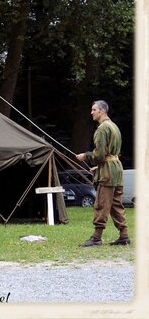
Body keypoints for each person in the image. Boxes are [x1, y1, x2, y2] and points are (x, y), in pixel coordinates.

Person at [76, 100, 130, 247]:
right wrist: (98, 167)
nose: (91, 112)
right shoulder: (114, 126)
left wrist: (85, 156)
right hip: (116, 168)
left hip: (108, 172)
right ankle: (124, 235)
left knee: (101, 203)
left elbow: (99, 155)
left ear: (102, 111)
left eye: (94, 110)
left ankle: (96, 238)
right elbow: (110, 154)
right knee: (116, 204)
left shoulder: (101, 129)